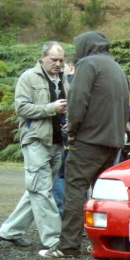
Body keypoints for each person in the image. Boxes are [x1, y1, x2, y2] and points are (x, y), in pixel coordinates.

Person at [40, 31, 129, 258]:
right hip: (113, 141)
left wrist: (72, 129)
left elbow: (77, 101)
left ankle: (67, 246)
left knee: (75, 188)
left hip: (90, 140)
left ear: (85, 46)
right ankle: (102, 243)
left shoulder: (87, 64)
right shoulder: (115, 67)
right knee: (102, 195)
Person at [0, 41, 67, 248]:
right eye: (54, 59)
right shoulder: (28, 77)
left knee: (38, 188)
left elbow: (68, 106)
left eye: (61, 60)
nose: (58, 64)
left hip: (57, 142)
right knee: (42, 190)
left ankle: (9, 231)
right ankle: (54, 239)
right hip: (36, 141)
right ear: (42, 56)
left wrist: (68, 122)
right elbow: (21, 108)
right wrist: (50, 108)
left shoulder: (63, 79)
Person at [52, 55, 76, 214]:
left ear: (70, 66)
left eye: (63, 64)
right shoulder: (87, 83)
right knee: (75, 178)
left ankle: (63, 213)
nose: (60, 66)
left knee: (60, 175)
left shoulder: (66, 82)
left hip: (65, 136)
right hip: (73, 136)